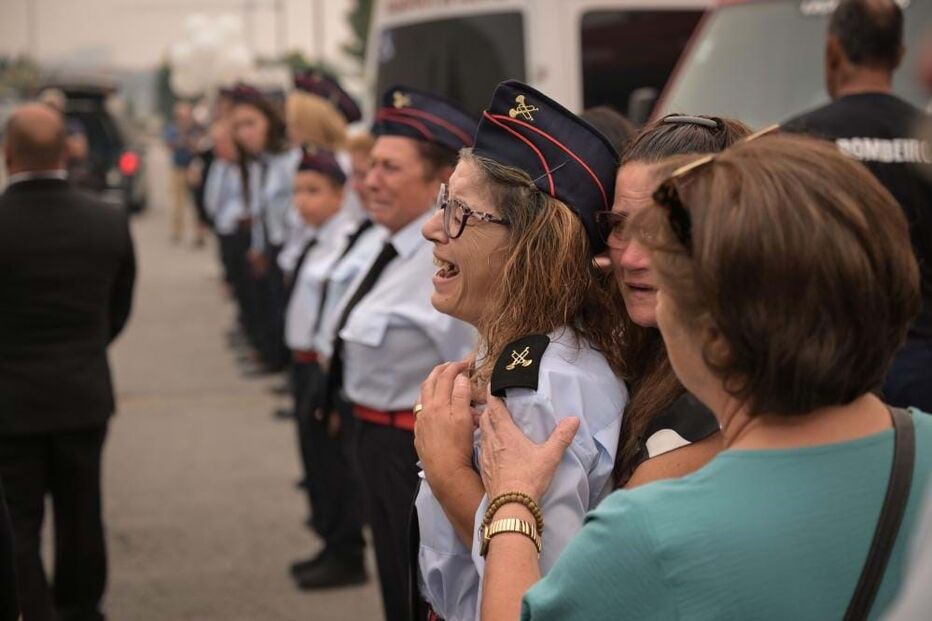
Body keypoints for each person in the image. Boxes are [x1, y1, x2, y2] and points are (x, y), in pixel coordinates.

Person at [473, 132, 932, 621]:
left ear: (714, 334)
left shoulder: (650, 531)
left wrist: (513, 501)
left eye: (669, 279)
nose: (636, 266)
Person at [414, 80, 628, 621]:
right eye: (443, 202)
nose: (432, 229)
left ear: (531, 247)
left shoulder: (540, 391)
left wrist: (448, 472)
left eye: (460, 212)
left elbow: (546, 596)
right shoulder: (531, 356)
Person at [317, 85, 477, 621]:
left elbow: (469, 367)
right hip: (369, 437)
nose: (370, 181)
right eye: (370, 167)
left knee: (420, 590)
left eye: (390, 168)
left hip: (409, 449)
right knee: (392, 578)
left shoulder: (443, 261)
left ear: (440, 183)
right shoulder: (383, 243)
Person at [0, 103, 135, 621]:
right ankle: (80, 608)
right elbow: (118, 307)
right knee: (82, 511)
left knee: (18, 519)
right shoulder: (106, 220)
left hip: (10, 400)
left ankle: (31, 608)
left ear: (7, 154)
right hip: (83, 390)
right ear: (67, 151)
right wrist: (87, 346)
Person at [783, 0, 932, 412]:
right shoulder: (926, 139)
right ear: (899, 54)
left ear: (833, 50)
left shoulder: (794, 143)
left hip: (829, 368)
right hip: (922, 364)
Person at [603, 114, 751, 487]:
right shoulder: (619, 344)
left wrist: (468, 476)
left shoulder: (733, 398)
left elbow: (612, 526)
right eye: (619, 225)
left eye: (660, 230)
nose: (631, 259)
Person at [231, 84, 294, 375]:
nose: (244, 134)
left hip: (288, 247)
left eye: (251, 123)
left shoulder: (289, 161)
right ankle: (274, 359)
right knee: (271, 307)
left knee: (286, 311)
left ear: (269, 121)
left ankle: (283, 366)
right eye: (238, 127)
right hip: (270, 245)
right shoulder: (259, 163)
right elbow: (260, 210)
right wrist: (258, 246)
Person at [164, 101, 202, 245]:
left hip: (192, 167)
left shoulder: (195, 128)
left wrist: (187, 140)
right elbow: (170, 144)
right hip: (178, 168)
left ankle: (198, 233)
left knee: (195, 201)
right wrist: (183, 139)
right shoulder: (172, 128)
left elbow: (198, 145)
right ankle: (177, 231)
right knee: (177, 202)